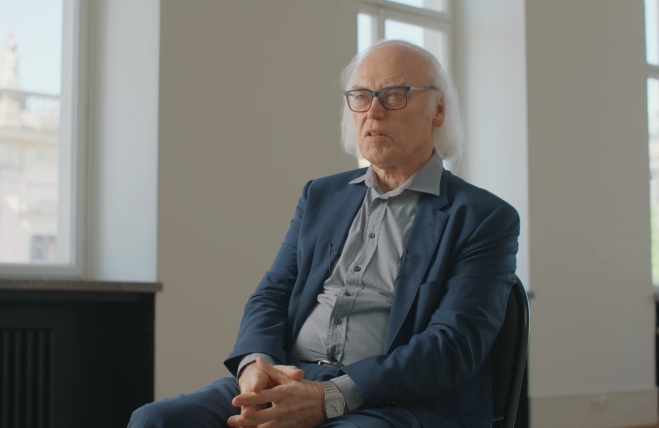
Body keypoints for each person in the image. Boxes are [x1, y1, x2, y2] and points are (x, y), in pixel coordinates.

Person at [128, 39, 519, 428]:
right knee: (154, 420)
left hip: (393, 401)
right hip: (289, 376)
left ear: (438, 109)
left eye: (394, 95)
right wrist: (255, 366)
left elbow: (452, 345)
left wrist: (330, 397)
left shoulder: (484, 217)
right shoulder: (321, 195)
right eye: (362, 96)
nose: (374, 111)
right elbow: (273, 293)